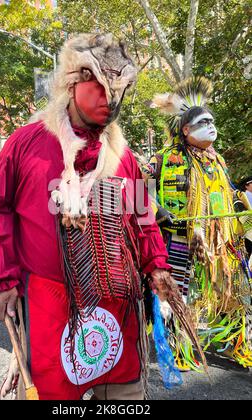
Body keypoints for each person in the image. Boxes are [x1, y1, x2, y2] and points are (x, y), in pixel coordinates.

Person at [0, 34, 173, 400]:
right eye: (97, 85)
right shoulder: (26, 143)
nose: (110, 100)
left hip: (117, 305)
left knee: (126, 394)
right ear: (72, 82)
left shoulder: (124, 158)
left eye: (119, 89)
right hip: (50, 303)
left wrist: (156, 265)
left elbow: (143, 215)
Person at [143, 77, 252, 370]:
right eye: (204, 122)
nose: (212, 125)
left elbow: (230, 194)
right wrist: (158, 210)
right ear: (186, 129)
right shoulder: (165, 158)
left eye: (213, 120)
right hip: (179, 238)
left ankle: (237, 345)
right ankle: (184, 348)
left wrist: (243, 214)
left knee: (234, 293)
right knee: (181, 295)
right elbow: (140, 191)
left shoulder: (217, 161)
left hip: (221, 241)